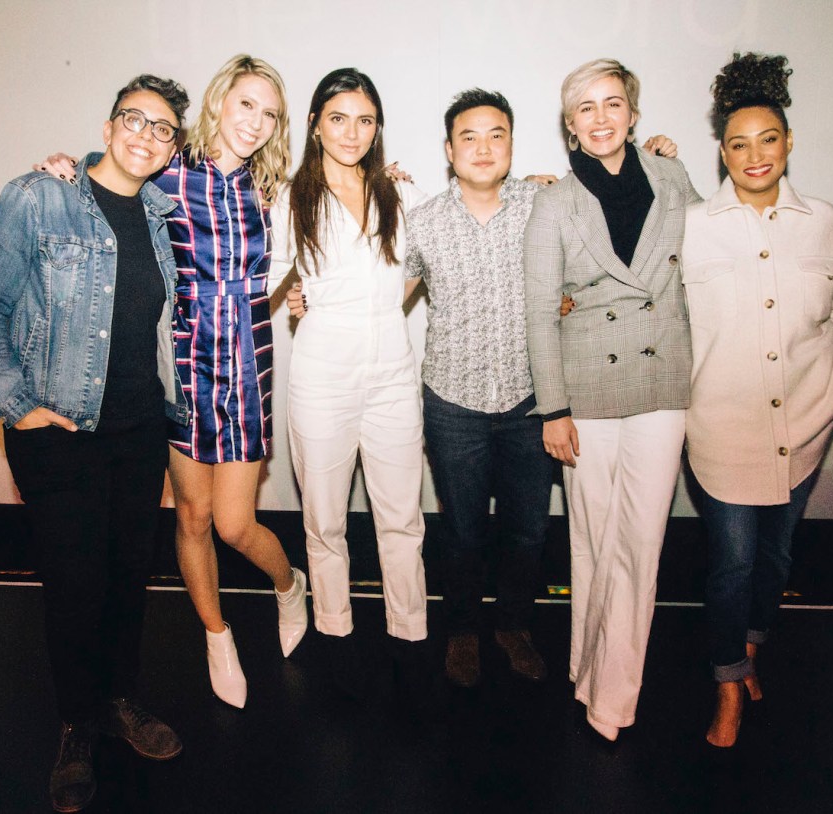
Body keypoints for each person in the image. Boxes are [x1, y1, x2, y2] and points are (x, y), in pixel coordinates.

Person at [34, 55, 308, 711]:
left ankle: (289, 584)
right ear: (219, 102)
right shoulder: (170, 169)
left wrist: (388, 178)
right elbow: (115, 168)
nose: (257, 121)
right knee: (192, 516)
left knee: (237, 524)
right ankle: (216, 634)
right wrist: (61, 171)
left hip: (244, 361)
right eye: (247, 104)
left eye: (270, 113)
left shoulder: (275, 188)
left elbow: (332, 217)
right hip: (182, 361)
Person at [0, 74, 190, 812]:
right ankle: (76, 726)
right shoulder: (39, 197)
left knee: (129, 577)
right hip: (60, 434)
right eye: (135, 119)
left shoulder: (162, 213)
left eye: (162, 128)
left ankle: (119, 701)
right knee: (73, 586)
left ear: (172, 146)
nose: (145, 135)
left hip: (139, 429)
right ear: (109, 122)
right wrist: (14, 403)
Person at [399, 88, 676, 688]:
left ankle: (515, 627)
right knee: (464, 531)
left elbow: (619, 237)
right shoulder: (420, 222)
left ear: (512, 144)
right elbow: (380, 298)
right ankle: (466, 631)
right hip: (453, 406)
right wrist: (306, 298)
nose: (482, 147)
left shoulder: (547, 204)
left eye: (495, 134)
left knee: (528, 530)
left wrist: (656, 158)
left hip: (534, 404)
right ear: (449, 151)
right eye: (468, 137)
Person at [683, 53, 833, 747]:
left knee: (777, 559)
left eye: (768, 139)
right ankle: (727, 684)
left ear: (788, 144)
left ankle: (752, 650)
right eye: (738, 143)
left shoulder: (822, 221)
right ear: (722, 153)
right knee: (731, 562)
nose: (754, 155)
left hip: (806, 423)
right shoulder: (692, 227)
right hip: (723, 428)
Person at [523, 58, 701, 743]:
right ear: (570, 127)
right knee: (593, 540)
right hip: (586, 392)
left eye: (612, 103)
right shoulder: (553, 203)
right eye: (585, 109)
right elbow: (541, 312)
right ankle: (584, 665)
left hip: (662, 382)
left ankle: (613, 698)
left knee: (640, 543)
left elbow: (713, 252)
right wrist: (553, 408)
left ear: (632, 112)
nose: (601, 117)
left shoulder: (674, 178)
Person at [269, 68, 430, 698]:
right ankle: (334, 630)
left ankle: (409, 632)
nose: (353, 132)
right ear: (314, 123)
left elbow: (414, 271)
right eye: (339, 118)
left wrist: (379, 299)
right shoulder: (290, 199)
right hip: (322, 372)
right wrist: (304, 303)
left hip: (392, 368)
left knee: (402, 517)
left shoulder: (400, 194)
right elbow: (265, 278)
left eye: (365, 120)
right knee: (324, 517)